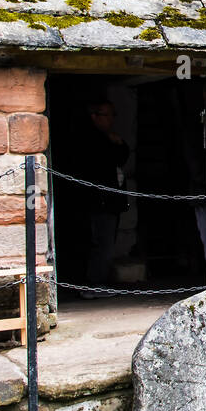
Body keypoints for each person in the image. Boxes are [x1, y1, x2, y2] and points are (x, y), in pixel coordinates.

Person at [67, 99, 130, 293]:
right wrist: (116, 143)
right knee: (99, 244)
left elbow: (121, 157)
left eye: (112, 115)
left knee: (105, 243)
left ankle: (96, 283)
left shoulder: (107, 138)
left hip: (107, 201)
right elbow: (106, 161)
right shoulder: (91, 139)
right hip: (96, 202)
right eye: (107, 115)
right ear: (94, 116)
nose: (111, 120)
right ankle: (92, 284)